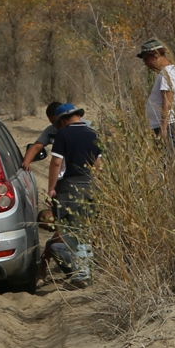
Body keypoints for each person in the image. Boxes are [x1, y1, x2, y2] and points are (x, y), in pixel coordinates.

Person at [45, 105, 102, 285]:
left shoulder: (63, 135)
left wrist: (51, 187)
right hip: (90, 183)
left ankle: (81, 272)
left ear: (62, 120)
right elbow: (98, 163)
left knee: (71, 228)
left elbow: (56, 163)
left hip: (70, 185)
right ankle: (88, 269)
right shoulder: (93, 134)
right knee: (86, 226)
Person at [139, 39, 175, 147]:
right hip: (162, 125)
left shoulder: (167, 73)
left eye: (146, 59)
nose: (146, 64)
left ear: (155, 55)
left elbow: (167, 101)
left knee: (168, 160)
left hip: (165, 126)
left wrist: (163, 128)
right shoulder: (167, 72)